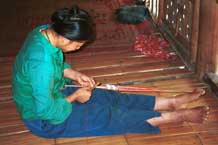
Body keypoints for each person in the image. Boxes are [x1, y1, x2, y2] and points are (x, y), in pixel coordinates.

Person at [12, 5, 209, 139]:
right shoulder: (41, 65)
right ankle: (173, 117)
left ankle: (169, 102)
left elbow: (56, 64)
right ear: (66, 38)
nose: (79, 48)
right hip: (44, 119)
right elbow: (47, 111)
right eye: (79, 44)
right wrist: (75, 96)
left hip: (54, 90)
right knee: (107, 115)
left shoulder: (45, 31)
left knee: (110, 97)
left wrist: (74, 75)